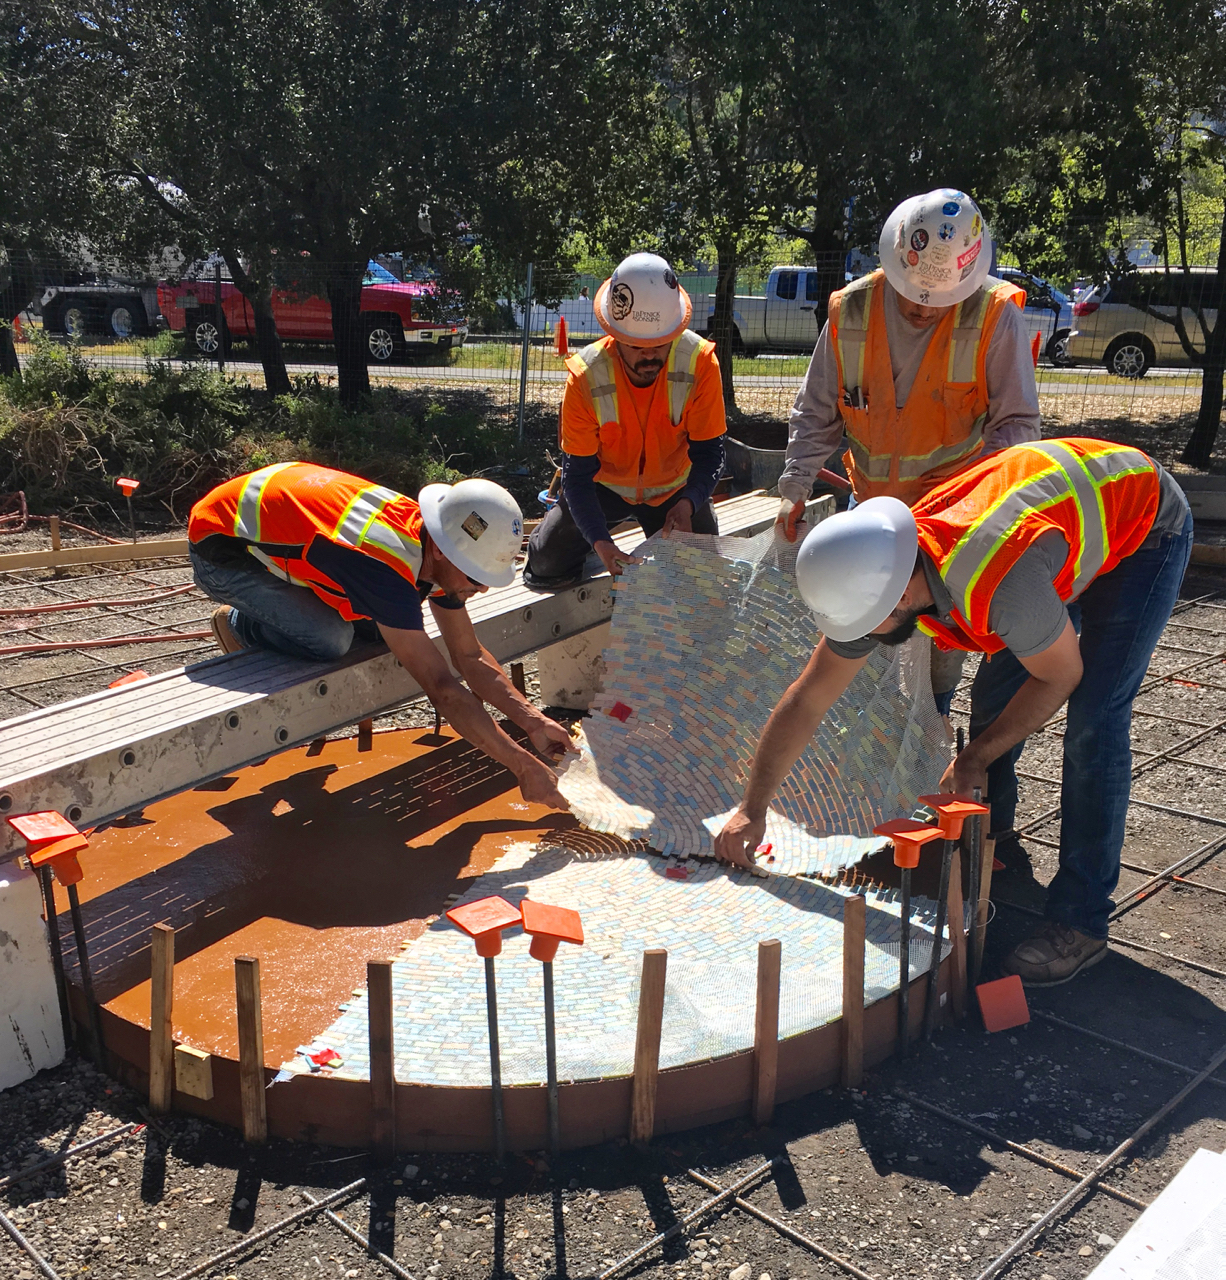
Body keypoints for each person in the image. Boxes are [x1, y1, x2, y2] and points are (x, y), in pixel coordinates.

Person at [715, 437, 1193, 986]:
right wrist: (753, 808)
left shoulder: (996, 582)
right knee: (995, 703)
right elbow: (809, 697)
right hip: (1048, 540)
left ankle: (1080, 922)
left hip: (1144, 527)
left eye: (863, 627)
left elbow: (1061, 675)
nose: (860, 640)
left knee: (1095, 723)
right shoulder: (886, 562)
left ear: (895, 602)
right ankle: (989, 850)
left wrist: (975, 759)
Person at [775, 188, 1043, 847]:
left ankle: (944, 815)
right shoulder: (853, 312)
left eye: (940, 297)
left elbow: (1017, 429)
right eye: (915, 292)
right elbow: (817, 413)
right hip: (872, 521)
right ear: (895, 262)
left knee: (936, 673)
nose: (926, 306)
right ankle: (882, 797)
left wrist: (970, 514)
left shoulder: (995, 318)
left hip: (952, 532)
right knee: (860, 659)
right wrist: (793, 487)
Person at [189, 463, 573, 810]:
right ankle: (242, 624)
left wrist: (534, 722)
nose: (481, 589)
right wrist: (522, 767)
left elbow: (469, 657)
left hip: (288, 518)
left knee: (379, 631)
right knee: (331, 639)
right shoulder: (385, 568)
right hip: (222, 546)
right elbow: (441, 687)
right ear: (439, 550)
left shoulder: (436, 545)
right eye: (475, 578)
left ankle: (289, 605)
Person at [524, 252, 726, 588]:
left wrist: (690, 503)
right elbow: (576, 477)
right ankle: (588, 547)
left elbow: (711, 454)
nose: (649, 355)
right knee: (546, 563)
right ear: (614, 335)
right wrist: (600, 541)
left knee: (702, 581)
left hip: (675, 492)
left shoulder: (700, 363)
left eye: (660, 344)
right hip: (603, 489)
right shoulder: (585, 376)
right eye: (636, 345)